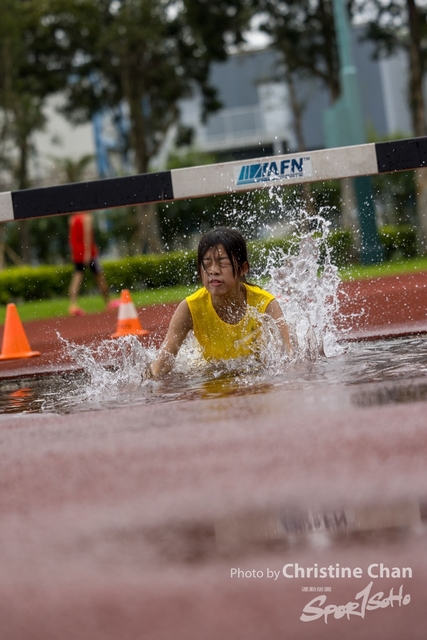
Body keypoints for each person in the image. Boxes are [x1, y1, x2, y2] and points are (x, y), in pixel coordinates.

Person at [145, 227, 292, 380]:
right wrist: (147, 383)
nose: (213, 271)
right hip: (211, 377)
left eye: (222, 263)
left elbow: (290, 355)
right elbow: (162, 363)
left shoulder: (265, 303)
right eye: (207, 263)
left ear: (243, 268)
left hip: (256, 377)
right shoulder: (190, 308)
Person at [68, 211, 118, 316]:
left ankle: (73, 305)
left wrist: (73, 252)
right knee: (99, 276)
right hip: (89, 252)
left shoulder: (72, 219)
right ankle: (108, 302)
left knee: (77, 277)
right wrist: (87, 253)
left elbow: (71, 238)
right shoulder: (87, 217)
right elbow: (87, 236)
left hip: (77, 252)